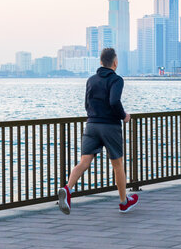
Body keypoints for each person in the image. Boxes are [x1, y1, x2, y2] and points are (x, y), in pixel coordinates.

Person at [58, 48, 138, 214]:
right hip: (110, 126)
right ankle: (124, 202)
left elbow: (87, 103)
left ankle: (68, 188)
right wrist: (124, 116)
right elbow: (114, 101)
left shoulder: (91, 80)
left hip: (91, 124)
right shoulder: (116, 80)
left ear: (101, 62)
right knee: (117, 164)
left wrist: (94, 116)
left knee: (84, 161)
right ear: (115, 63)